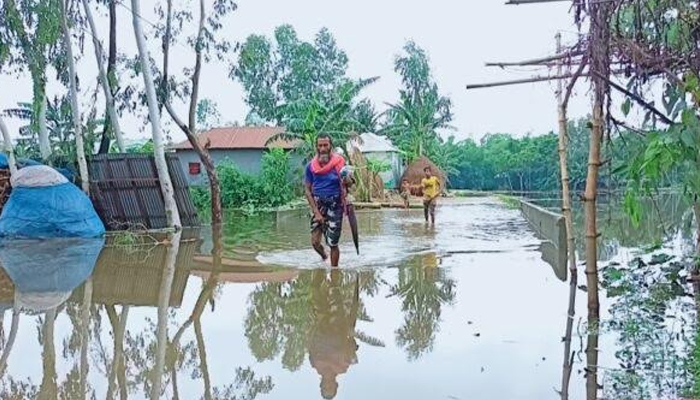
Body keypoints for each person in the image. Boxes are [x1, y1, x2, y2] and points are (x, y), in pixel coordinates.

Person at [305, 134, 347, 267]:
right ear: (316, 147)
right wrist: (316, 212)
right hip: (318, 205)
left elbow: (349, 183)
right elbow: (307, 190)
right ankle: (324, 256)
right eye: (320, 145)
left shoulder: (339, 163)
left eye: (325, 145)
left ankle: (335, 272)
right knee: (315, 242)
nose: (322, 148)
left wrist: (348, 178)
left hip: (335, 205)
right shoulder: (310, 167)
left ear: (330, 146)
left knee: (333, 243)